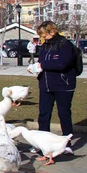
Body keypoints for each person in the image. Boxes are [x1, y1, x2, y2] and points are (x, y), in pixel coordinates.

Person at [31, 21, 76, 154]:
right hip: (45, 84)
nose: (42, 37)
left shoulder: (65, 45)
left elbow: (62, 64)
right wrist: (36, 68)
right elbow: (42, 62)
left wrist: (44, 65)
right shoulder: (45, 46)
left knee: (64, 114)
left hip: (63, 85)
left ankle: (67, 143)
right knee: (44, 115)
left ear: (52, 31)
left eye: (44, 34)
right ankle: (42, 143)